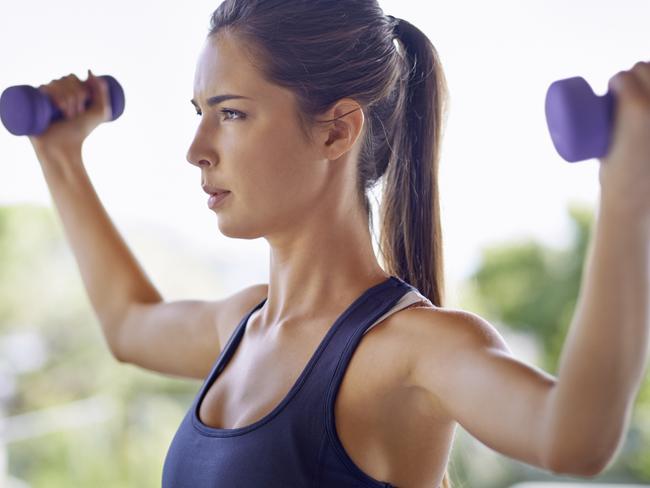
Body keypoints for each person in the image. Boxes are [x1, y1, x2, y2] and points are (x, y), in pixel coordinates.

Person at [26, 1, 650, 487]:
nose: (197, 151)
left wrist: (626, 188)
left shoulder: (412, 350)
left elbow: (575, 436)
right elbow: (128, 324)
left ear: (336, 131)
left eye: (232, 113)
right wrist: (59, 157)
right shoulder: (241, 325)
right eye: (199, 113)